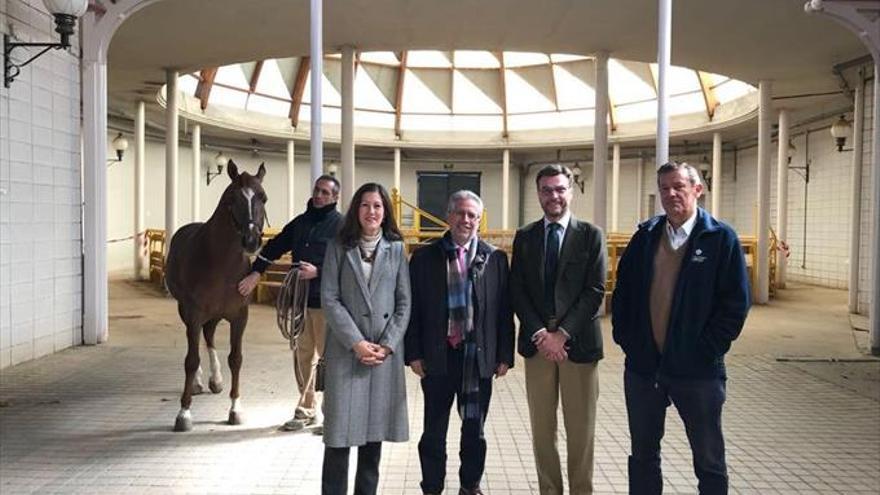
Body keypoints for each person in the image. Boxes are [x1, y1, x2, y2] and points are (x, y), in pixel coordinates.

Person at [612, 161, 750, 494]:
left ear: (697, 190)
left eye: (678, 186)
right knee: (643, 456)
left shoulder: (721, 238)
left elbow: (736, 304)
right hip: (646, 369)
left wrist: (705, 350)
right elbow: (623, 293)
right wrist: (629, 341)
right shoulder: (645, 237)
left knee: (709, 459)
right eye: (664, 188)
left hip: (698, 372)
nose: (670, 194)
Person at [405, 190, 515, 495]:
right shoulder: (425, 257)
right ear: (449, 216)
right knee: (433, 433)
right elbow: (413, 309)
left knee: (474, 432)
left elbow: (504, 310)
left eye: (473, 216)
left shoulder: (495, 258)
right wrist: (413, 353)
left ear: (479, 220)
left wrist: (504, 354)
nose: (466, 220)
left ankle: (470, 486)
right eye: (461, 213)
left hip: (477, 358)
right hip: (438, 357)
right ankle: (432, 487)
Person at [510, 164, 607, 495]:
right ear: (538, 194)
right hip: (538, 346)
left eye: (560, 189)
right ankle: (549, 491)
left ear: (571, 191)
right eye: (546, 190)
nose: (554, 195)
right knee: (542, 429)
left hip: (577, 346)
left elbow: (595, 290)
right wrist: (541, 334)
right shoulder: (525, 237)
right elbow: (517, 289)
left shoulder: (591, 235)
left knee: (581, 431)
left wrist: (562, 334)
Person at [320, 182, 411, 495]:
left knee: (372, 445)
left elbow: (404, 302)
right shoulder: (337, 247)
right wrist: (357, 343)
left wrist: (386, 345)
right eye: (365, 205)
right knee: (338, 440)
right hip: (347, 354)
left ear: (385, 212)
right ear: (355, 210)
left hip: (382, 358)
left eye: (377, 206)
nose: (371, 211)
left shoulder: (397, 249)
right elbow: (329, 299)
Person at [237, 175, 342, 431]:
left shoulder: (342, 227)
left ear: (335, 197)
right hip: (300, 301)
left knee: (330, 359)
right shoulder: (301, 223)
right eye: (317, 190)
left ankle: (334, 414)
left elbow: (349, 265)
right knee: (302, 355)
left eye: (325, 192)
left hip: (327, 303)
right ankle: (306, 408)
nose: (319, 195)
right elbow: (275, 246)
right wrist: (256, 271)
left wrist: (319, 272)